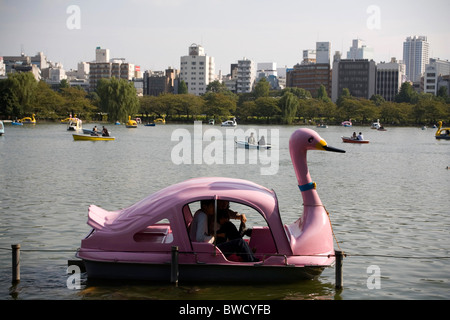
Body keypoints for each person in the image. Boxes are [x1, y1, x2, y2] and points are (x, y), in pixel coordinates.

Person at [190, 200, 258, 262]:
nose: (214, 208)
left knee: (241, 241)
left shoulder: (200, 213)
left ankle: (251, 257)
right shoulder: (203, 216)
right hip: (207, 250)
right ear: (205, 207)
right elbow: (199, 238)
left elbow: (228, 213)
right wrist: (214, 236)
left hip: (206, 247)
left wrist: (239, 216)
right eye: (212, 206)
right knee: (240, 243)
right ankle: (253, 263)